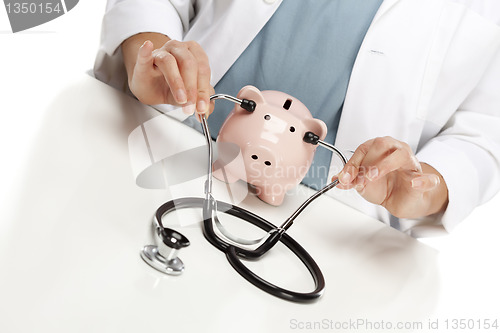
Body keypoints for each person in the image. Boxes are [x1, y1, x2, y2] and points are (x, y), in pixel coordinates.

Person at [94, 0, 500, 237]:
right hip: (163, 142)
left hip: (335, 226)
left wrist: (427, 184)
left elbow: (483, 135)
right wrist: (155, 51)